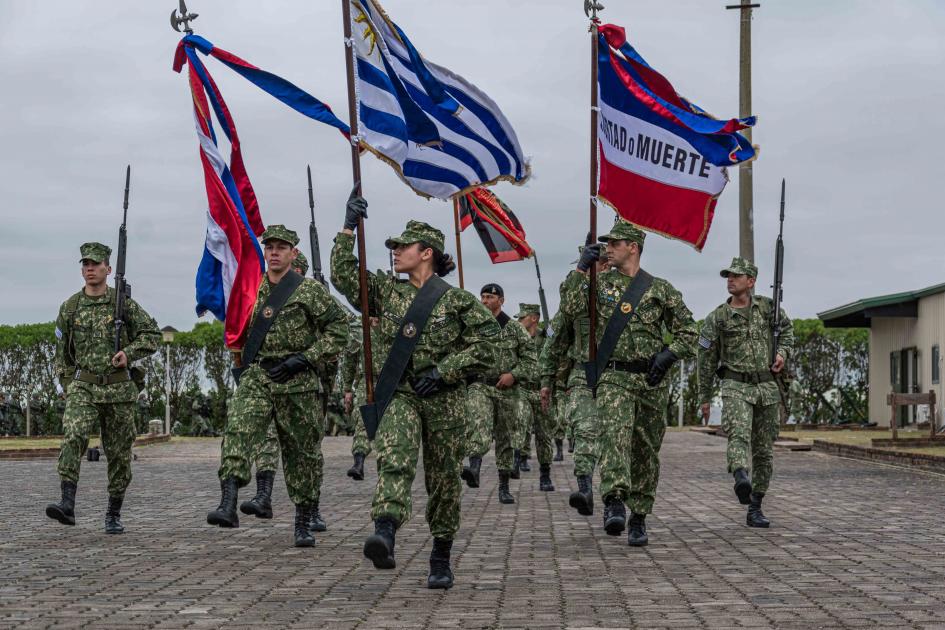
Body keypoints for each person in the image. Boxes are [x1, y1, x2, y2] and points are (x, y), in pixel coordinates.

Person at [330, 192, 499, 590]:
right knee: (396, 457)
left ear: (426, 253)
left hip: (444, 400)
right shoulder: (386, 292)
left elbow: (492, 344)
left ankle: (441, 555)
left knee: (442, 480)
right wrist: (347, 227)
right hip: (400, 394)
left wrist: (446, 370)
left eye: (402, 246)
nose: (394, 252)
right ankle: (385, 531)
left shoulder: (456, 300)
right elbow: (343, 276)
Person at [543, 220, 697, 546]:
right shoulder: (598, 284)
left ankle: (639, 514)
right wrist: (581, 270)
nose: (607, 249)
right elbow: (569, 310)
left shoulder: (660, 289)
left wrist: (668, 355)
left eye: (614, 243)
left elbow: (689, 332)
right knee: (615, 436)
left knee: (646, 450)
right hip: (613, 376)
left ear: (633, 247)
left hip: (651, 380)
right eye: (605, 244)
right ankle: (614, 499)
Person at [207, 225, 348, 548]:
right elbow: (236, 327)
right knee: (238, 431)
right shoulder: (249, 287)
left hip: (297, 378)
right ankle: (228, 502)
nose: (274, 252)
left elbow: (339, 329)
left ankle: (302, 520)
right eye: (269, 246)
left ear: (293, 253)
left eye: (281, 247)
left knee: (303, 453)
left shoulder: (309, 291)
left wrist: (307, 358)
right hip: (259, 374)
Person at [46, 242, 161, 534]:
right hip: (83, 387)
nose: (90, 269)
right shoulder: (70, 307)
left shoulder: (122, 303)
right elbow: (61, 354)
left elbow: (152, 335)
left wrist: (129, 353)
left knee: (120, 453)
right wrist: (68, 384)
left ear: (108, 269)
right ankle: (67, 503)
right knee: (73, 435)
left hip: (119, 389)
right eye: (85, 264)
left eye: (96, 264)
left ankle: (113, 513)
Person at [697, 256, 794, 528]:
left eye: (736, 276)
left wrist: (782, 353)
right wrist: (704, 397)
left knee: (764, 450)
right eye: (728, 275)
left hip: (766, 387)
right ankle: (740, 475)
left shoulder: (768, 309)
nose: (730, 280)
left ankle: (756, 505)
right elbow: (705, 359)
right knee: (738, 434)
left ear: (750, 281)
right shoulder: (718, 317)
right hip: (735, 385)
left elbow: (787, 333)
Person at [539, 244, 611, 516]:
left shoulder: (625, 295)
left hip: (616, 374)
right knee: (584, 430)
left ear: (606, 265)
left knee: (612, 438)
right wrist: (546, 379)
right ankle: (584, 488)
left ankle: (613, 498)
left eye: (594, 263)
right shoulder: (573, 301)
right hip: (582, 372)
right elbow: (554, 341)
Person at [461, 284, 536, 503]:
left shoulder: (514, 329)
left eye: (490, 297)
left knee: (506, 437)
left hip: (507, 390)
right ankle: (474, 466)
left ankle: (504, 486)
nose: (484, 301)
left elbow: (530, 359)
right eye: (482, 296)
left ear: (501, 300)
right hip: (480, 385)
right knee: (479, 421)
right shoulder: (473, 327)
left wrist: (514, 374)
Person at [515, 303, 555, 491]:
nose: (519, 321)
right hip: (521, 388)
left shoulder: (546, 336)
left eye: (522, 318)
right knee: (520, 421)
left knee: (543, 434)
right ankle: (516, 460)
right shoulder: (516, 337)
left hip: (541, 390)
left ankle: (545, 474)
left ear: (533, 318)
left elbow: (556, 356)